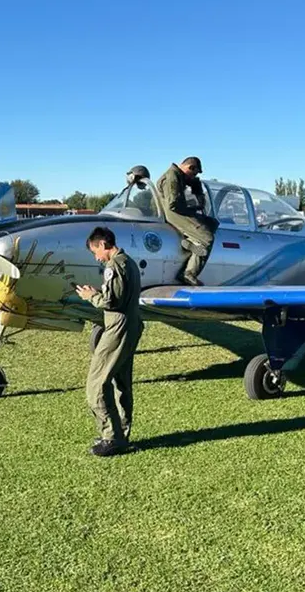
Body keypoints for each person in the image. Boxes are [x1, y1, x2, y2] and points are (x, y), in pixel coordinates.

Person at [74, 226, 143, 457]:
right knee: (121, 382)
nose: (97, 258)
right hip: (131, 324)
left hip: (118, 327)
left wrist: (90, 296)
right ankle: (120, 433)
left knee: (97, 383)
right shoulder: (129, 262)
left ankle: (111, 437)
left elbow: (112, 302)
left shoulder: (114, 266)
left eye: (96, 252)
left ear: (103, 244)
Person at [155, 156, 218, 286]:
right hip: (174, 213)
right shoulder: (172, 177)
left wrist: (198, 190)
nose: (193, 176)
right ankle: (189, 273)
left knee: (212, 223)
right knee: (208, 238)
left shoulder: (180, 175)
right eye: (193, 173)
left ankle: (191, 243)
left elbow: (194, 183)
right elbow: (173, 204)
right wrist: (193, 206)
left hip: (180, 210)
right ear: (189, 167)